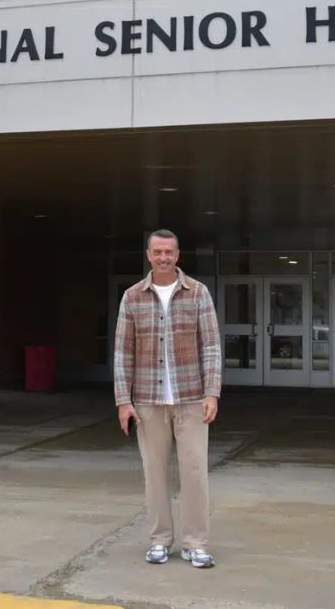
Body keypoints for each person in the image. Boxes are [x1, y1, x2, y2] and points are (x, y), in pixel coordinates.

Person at [113, 229, 222, 568]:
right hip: (148, 401)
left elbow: (211, 345)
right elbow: (122, 352)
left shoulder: (198, 293)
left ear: (178, 255)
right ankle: (160, 540)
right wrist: (123, 400)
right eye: (157, 252)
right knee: (154, 474)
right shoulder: (132, 297)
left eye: (169, 252)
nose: (163, 258)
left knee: (195, 473)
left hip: (191, 399)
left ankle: (196, 544)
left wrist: (212, 392)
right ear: (148, 255)